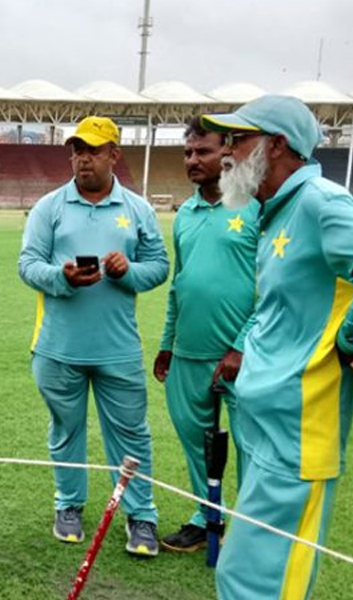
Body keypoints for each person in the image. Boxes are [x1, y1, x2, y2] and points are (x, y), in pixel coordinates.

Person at [201, 95, 353, 599]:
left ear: (278, 145)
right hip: (266, 425)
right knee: (240, 575)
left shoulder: (322, 203)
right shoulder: (274, 212)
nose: (226, 152)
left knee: (265, 585)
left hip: (300, 432)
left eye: (239, 139)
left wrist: (349, 335)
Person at [18, 116, 169, 556]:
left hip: (118, 348)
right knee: (66, 430)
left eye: (93, 150)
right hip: (58, 347)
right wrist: (62, 276)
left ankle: (141, 516)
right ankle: (68, 506)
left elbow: (159, 266)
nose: (83, 158)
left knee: (132, 433)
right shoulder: (50, 207)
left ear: (113, 155)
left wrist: (129, 272)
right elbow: (27, 265)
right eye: (77, 150)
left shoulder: (138, 209)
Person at [153, 117, 258, 552]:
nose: (193, 160)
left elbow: (272, 288)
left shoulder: (255, 207)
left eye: (203, 152)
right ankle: (206, 516)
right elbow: (181, 284)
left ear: (227, 153)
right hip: (190, 352)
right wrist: (166, 343)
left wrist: (240, 345)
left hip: (246, 356)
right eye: (188, 153)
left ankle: (253, 529)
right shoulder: (185, 215)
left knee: (253, 447)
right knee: (195, 440)